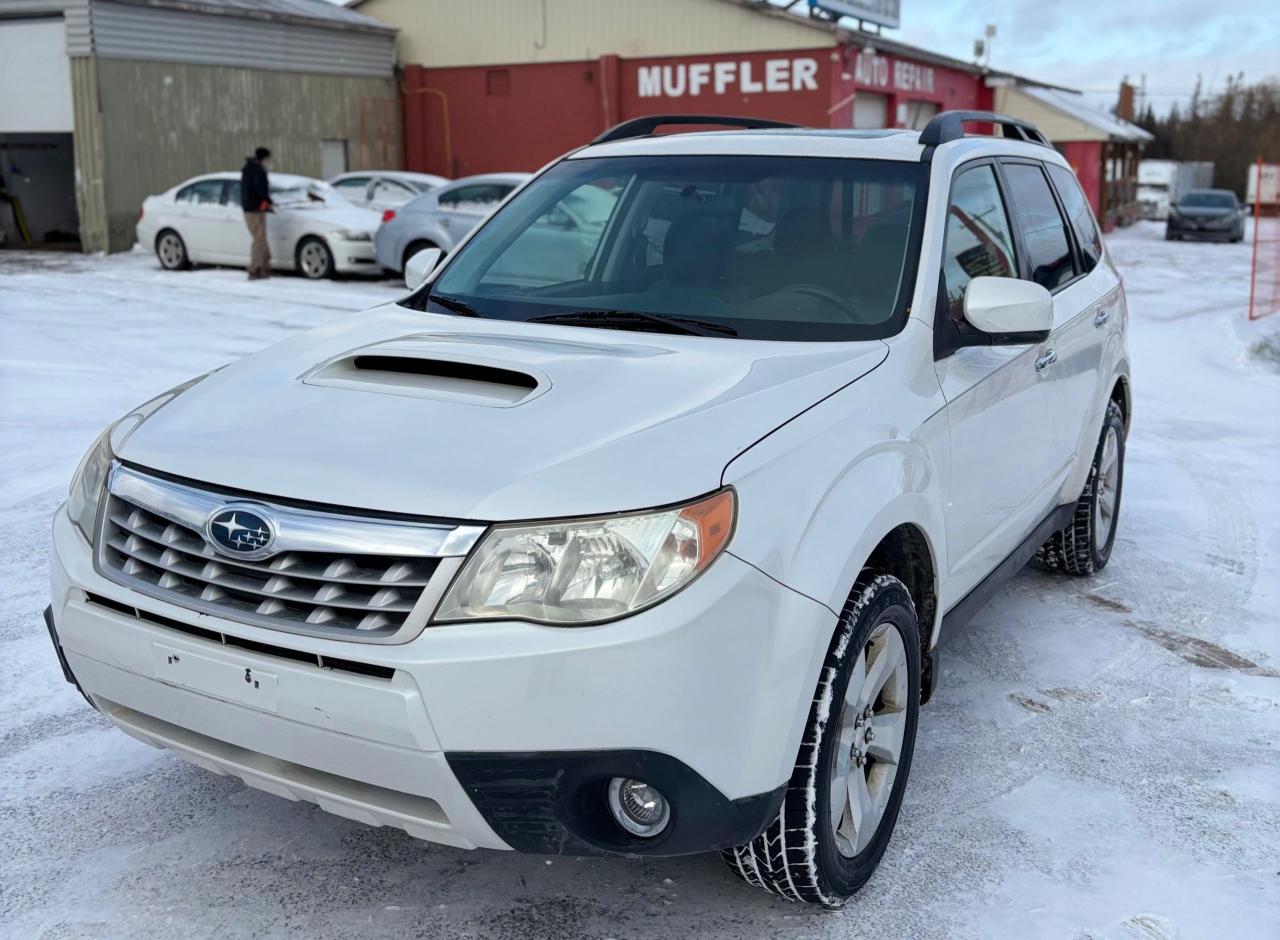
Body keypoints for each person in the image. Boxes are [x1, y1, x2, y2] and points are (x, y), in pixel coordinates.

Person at [240, 147, 274, 279]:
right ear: (263, 158)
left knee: (262, 237)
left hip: (257, 207)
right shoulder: (256, 170)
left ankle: (264, 266)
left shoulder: (252, 168)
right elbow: (259, 188)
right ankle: (255, 269)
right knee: (258, 238)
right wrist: (267, 200)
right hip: (252, 208)